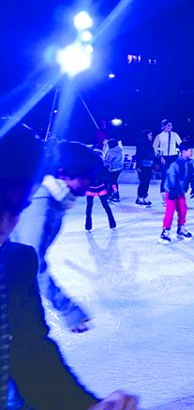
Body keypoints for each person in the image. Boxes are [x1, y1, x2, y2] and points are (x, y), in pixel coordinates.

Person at [0, 122, 139, 410]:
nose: (4, 226)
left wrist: (87, 406)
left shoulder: (15, 264)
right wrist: (67, 308)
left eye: (16, 209)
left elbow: (31, 356)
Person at [12, 140, 102, 333]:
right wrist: (68, 310)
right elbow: (31, 263)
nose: (91, 183)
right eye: (87, 177)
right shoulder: (41, 204)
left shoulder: (54, 200)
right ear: (62, 173)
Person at [159, 142, 194, 244]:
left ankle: (181, 229)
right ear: (183, 152)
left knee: (183, 210)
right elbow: (171, 178)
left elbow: (191, 176)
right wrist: (172, 191)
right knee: (170, 211)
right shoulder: (175, 165)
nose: (191, 152)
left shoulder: (190, 163)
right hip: (171, 191)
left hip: (180, 191)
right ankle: (165, 231)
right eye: (190, 150)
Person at [85, 159, 117, 232]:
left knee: (90, 206)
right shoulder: (102, 168)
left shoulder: (89, 168)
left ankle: (88, 225)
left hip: (94, 189)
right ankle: (112, 223)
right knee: (105, 206)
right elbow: (109, 179)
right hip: (98, 188)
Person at [152, 119, 182, 199]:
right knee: (165, 176)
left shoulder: (174, 135)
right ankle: (163, 194)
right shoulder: (159, 136)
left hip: (174, 157)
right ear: (164, 126)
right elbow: (154, 148)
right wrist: (160, 157)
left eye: (171, 125)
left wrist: (181, 153)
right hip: (164, 158)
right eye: (168, 125)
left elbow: (180, 144)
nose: (170, 127)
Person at [135, 129, 155, 206]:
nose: (151, 136)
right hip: (142, 165)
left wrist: (153, 164)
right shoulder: (141, 144)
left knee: (147, 182)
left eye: (151, 135)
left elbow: (152, 155)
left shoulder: (150, 145)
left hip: (149, 166)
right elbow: (138, 155)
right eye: (150, 135)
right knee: (143, 182)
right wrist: (138, 165)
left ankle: (144, 196)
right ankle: (139, 197)